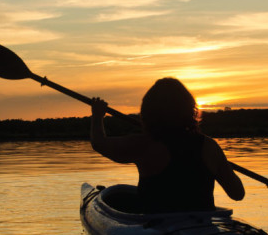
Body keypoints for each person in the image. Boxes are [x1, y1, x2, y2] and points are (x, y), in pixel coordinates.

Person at [90, 77, 245, 213]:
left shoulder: (144, 144)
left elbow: (99, 143)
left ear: (148, 111)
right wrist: (219, 165)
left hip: (158, 232)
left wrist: (97, 116)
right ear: (189, 110)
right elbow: (238, 193)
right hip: (204, 229)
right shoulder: (209, 146)